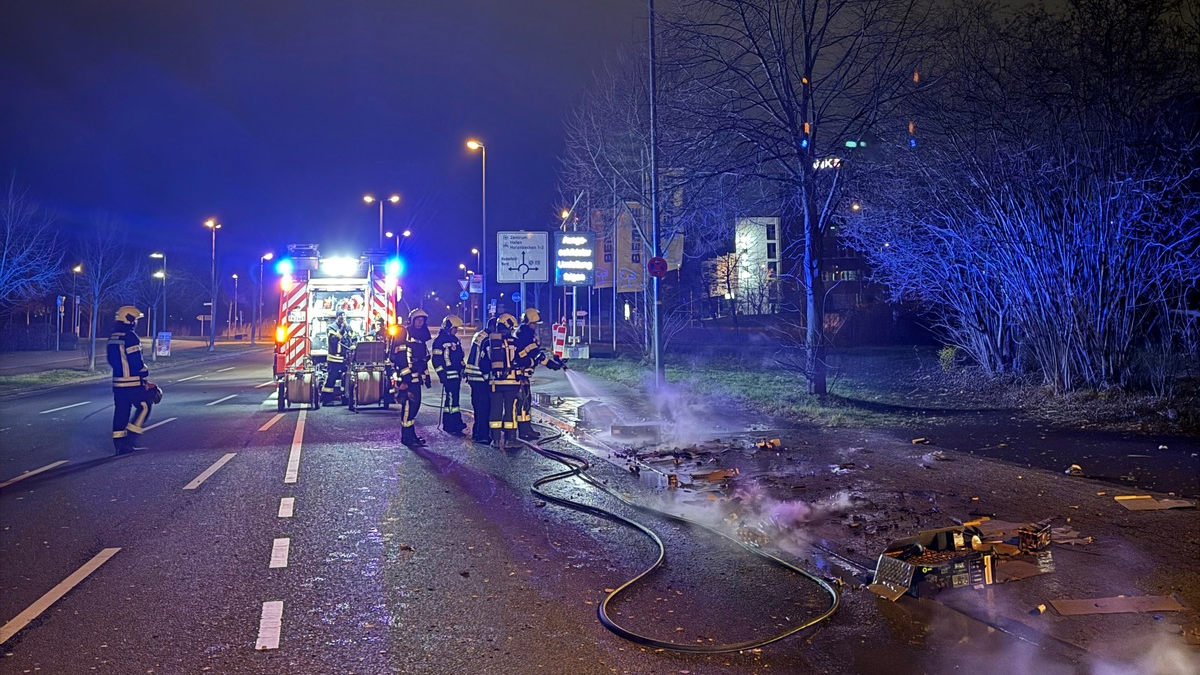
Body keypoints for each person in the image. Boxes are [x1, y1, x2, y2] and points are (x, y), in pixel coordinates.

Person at [513, 308, 565, 441]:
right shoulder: (526, 334)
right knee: (524, 402)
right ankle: (524, 431)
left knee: (525, 401)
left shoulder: (523, 331)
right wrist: (551, 364)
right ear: (529, 322)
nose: (536, 326)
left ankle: (526, 428)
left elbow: (536, 351)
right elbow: (535, 354)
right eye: (534, 323)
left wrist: (552, 360)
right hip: (520, 374)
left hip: (521, 373)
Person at [108, 305, 152, 454]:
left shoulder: (113, 337)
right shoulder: (130, 336)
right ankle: (131, 438)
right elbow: (136, 361)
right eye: (136, 319)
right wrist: (144, 372)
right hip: (132, 382)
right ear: (130, 320)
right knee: (145, 405)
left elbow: (111, 360)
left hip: (118, 383)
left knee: (121, 411)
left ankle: (119, 444)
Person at [396, 308, 432, 447]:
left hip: (416, 378)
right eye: (417, 320)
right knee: (408, 408)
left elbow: (424, 359)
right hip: (408, 378)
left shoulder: (422, 336)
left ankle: (412, 435)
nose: (420, 322)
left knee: (414, 407)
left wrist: (426, 376)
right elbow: (401, 358)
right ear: (412, 320)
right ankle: (406, 437)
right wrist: (405, 380)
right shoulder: (404, 333)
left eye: (422, 320)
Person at [485, 313, 521, 447]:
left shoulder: (488, 341)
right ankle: (510, 439)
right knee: (510, 409)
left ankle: (495, 439)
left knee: (495, 409)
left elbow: (483, 363)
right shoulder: (515, 342)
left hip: (494, 383)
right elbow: (521, 360)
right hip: (511, 382)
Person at [432, 315, 467, 434]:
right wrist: (441, 374)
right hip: (448, 375)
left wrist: (463, 368)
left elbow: (459, 356)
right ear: (447, 327)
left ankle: (453, 421)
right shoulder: (439, 341)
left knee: (454, 400)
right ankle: (451, 423)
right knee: (452, 399)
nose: (456, 331)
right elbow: (436, 360)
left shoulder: (455, 340)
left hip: (456, 375)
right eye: (454, 328)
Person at [465, 317, 496, 444]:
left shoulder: (479, 334)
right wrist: (488, 377)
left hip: (473, 376)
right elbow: (484, 361)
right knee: (484, 407)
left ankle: (477, 433)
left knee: (478, 407)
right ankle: (482, 435)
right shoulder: (487, 338)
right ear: (494, 327)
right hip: (480, 377)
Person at [322, 311, 352, 404]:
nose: (343, 318)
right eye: (341, 317)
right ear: (337, 317)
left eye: (344, 316)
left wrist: (354, 344)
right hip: (334, 358)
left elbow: (353, 337)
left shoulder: (348, 327)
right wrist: (342, 330)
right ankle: (326, 400)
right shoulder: (331, 327)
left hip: (345, 358)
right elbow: (333, 340)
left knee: (346, 378)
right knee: (332, 378)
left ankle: (345, 398)